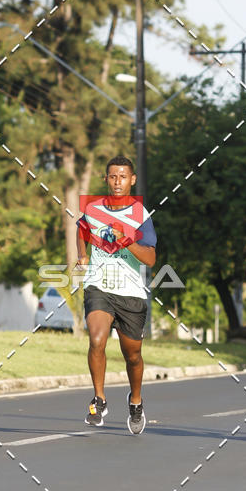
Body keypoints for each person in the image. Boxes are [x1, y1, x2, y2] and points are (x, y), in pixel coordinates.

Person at [76, 155, 156, 435]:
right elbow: (82, 228)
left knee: (132, 356)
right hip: (99, 285)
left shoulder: (141, 216)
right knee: (97, 339)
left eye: (123, 176)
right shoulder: (93, 208)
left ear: (132, 180)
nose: (117, 181)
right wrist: (83, 254)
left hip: (131, 293)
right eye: (112, 176)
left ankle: (135, 400)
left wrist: (127, 237)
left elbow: (150, 259)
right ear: (106, 179)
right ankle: (99, 400)